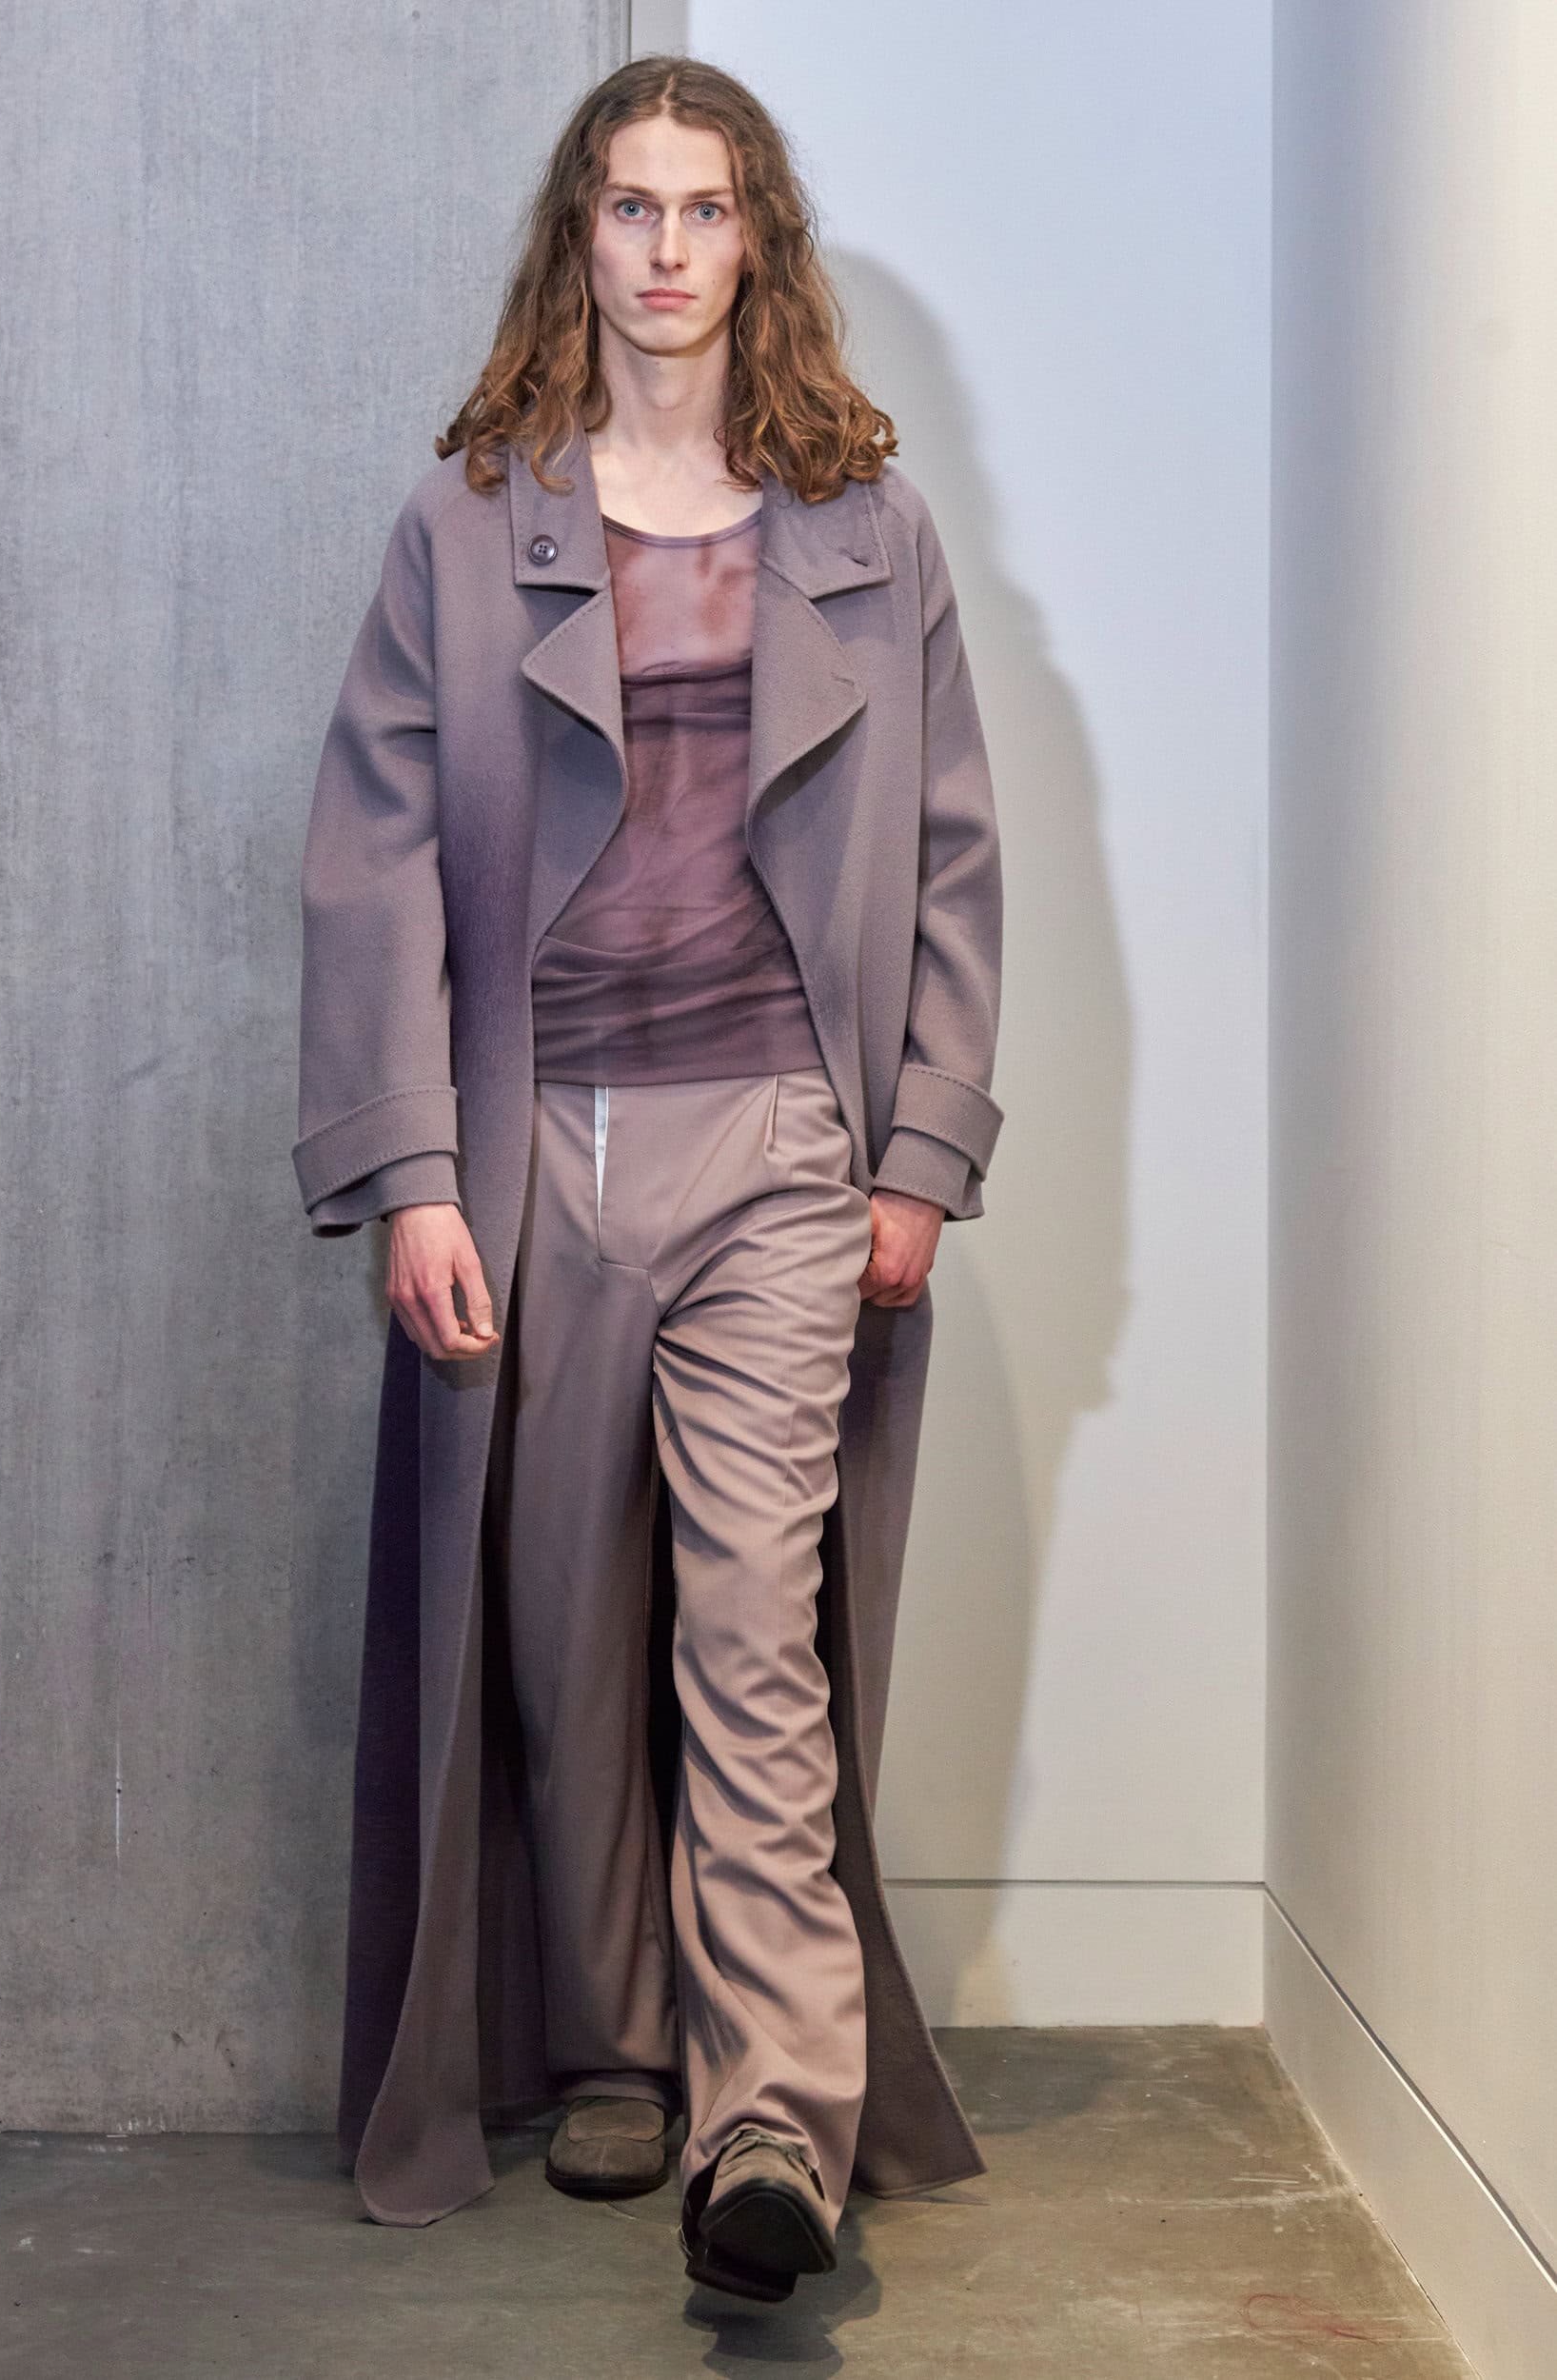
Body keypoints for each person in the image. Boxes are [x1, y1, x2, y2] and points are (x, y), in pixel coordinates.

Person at [294, 54, 1005, 2306]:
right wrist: (416, 1171)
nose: (668, 248)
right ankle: (615, 2045)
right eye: (630, 206)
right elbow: (370, 865)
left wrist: (920, 1142)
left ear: (754, 240)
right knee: (562, 1618)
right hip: (538, 1145)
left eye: (707, 207)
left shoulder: (866, 529)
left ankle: (765, 2115)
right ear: (576, 240)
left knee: (748, 1625)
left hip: (779, 1141)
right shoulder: (465, 520)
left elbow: (953, 857)